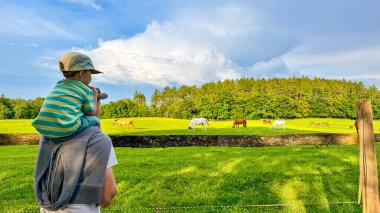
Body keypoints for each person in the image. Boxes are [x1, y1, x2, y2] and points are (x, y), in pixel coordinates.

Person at [33, 52, 117, 212]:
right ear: (81, 72)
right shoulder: (100, 140)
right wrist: (96, 123)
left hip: (47, 205)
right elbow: (107, 195)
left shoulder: (49, 135)